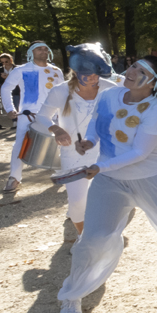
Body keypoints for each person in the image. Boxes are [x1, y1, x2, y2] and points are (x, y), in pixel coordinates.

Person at [55, 56, 157, 313]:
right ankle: (72, 294)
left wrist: (100, 166)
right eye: (133, 66)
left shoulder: (156, 109)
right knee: (94, 238)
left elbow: (140, 153)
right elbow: (98, 120)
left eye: (141, 71)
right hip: (110, 180)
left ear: (153, 81)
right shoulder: (109, 96)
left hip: (153, 177)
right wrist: (90, 142)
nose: (131, 72)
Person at [38, 44, 117, 234]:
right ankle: (84, 236)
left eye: (96, 74)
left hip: (106, 154)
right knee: (77, 202)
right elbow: (41, 117)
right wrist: (56, 129)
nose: (93, 78)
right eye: (88, 74)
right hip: (73, 155)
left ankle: (106, 237)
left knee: (110, 200)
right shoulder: (60, 91)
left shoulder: (111, 89)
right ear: (75, 72)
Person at [0, 42, 65, 192]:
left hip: (53, 115)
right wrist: (10, 108)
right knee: (20, 145)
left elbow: (62, 92)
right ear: (31, 52)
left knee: (60, 142)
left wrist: (64, 113)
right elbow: (6, 88)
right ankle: (14, 177)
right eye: (39, 49)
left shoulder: (56, 71)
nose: (43, 51)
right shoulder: (22, 70)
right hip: (29, 115)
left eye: (45, 49)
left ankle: (61, 172)